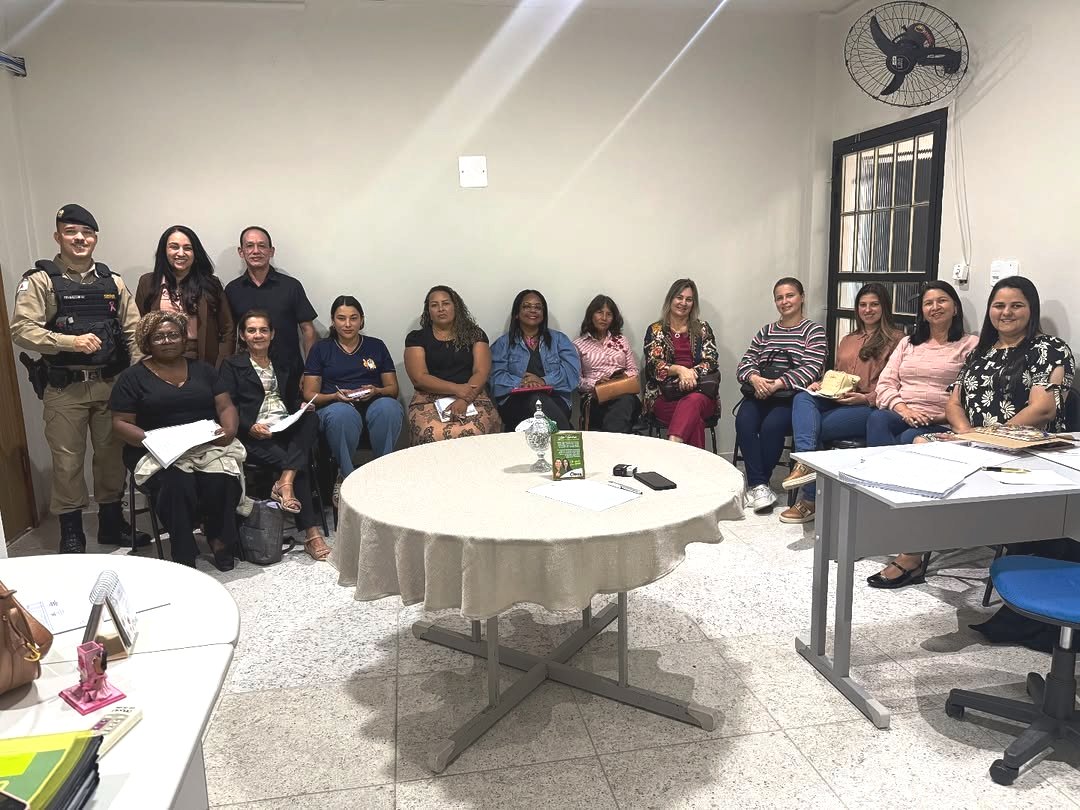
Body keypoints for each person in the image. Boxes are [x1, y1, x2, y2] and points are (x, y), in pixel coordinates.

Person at [868, 277, 1074, 590]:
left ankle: (911, 553)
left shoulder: (1049, 349)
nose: (1006, 312)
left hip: (1025, 450)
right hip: (976, 441)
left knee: (929, 452)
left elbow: (1042, 409)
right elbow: (954, 402)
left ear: (1031, 309)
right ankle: (904, 534)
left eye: (1016, 305)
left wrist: (986, 439)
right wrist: (967, 435)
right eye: (999, 305)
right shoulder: (982, 352)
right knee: (922, 443)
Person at [9, 204, 149, 553]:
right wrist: (69, 342)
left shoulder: (112, 282)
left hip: (110, 385)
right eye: (71, 232)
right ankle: (71, 532)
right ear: (57, 237)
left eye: (86, 233)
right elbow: (21, 329)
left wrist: (136, 379)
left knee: (111, 458)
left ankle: (112, 524)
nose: (80, 238)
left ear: (95, 238)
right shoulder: (40, 281)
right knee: (67, 462)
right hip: (65, 388)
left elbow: (134, 331)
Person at [110, 311, 243, 570]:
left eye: (173, 335)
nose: (167, 340)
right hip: (154, 449)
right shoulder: (132, 378)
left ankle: (219, 539)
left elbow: (225, 405)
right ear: (147, 342)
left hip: (203, 444)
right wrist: (152, 440)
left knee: (223, 478)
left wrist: (229, 430)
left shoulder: (203, 370)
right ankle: (183, 548)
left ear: (184, 338)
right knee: (176, 483)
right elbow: (120, 423)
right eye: (159, 337)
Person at [780, 282, 902, 523]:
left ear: (884, 307)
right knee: (803, 397)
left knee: (813, 428)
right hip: (838, 399)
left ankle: (809, 498)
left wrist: (866, 398)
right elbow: (837, 373)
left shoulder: (897, 340)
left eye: (874, 304)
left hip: (868, 406)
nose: (868, 310)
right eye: (863, 305)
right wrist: (821, 384)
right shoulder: (848, 339)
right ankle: (807, 463)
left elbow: (897, 384)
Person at [221, 310, 331, 561]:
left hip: (285, 426)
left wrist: (300, 407)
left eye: (263, 330)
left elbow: (291, 398)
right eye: (251, 330)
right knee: (298, 461)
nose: (258, 335)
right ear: (243, 335)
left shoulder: (283, 361)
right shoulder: (232, 365)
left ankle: (284, 481)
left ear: (272, 334)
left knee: (311, 418)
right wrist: (249, 426)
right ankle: (312, 535)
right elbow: (227, 406)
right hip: (254, 434)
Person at [735, 277, 827, 513]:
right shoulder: (766, 331)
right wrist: (755, 378)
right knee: (744, 420)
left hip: (790, 397)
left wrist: (778, 383)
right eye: (779, 298)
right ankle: (759, 486)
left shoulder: (813, 331)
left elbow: (811, 368)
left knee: (772, 426)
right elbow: (745, 363)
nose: (784, 301)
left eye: (790, 296)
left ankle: (759, 483)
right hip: (759, 391)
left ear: (802, 297)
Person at [302, 296, 403, 503]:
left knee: (390, 408)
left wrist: (376, 390)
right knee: (342, 413)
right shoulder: (321, 348)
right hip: (335, 406)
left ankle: (382, 473)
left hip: (373, 403)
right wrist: (335, 396)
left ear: (362, 320)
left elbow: (392, 389)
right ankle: (345, 477)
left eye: (353, 318)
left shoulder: (376, 346)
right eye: (341, 318)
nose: (347, 324)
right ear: (333, 320)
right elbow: (309, 394)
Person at [864, 280, 978, 448]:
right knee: (878, 418)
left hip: (941, 420)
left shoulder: (970, 344)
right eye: (928, 303)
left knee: (907, 438)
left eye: (942, 301)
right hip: (903, 413)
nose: (935, 307)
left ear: (955, 308)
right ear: (923, 313)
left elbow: (973, 394)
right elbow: (885, 383)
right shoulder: (907, 343)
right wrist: (905, 410)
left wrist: (939, 417)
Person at [404, 285, 501, 444]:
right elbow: (419, 378)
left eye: (446, 303)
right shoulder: (417, 338)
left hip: (472, 394)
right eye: (434, 305)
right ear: (428, 311)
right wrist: (456, 389)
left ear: (456, 306)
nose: (441, 309)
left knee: (477, 430)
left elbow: (481, 372)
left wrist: (464, 399)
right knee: (432, 433)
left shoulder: (475, 334)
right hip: (429, 398)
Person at [135, 225, 234, 367]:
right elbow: (140, 327)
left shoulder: (211, 284)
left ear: (195, 253)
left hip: (201, 361)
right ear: (164, 251)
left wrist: (221, 365)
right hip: (160, 360)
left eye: (187, 248)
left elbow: (228, 330)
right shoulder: (147, 282)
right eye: (174, 247)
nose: (181, 253)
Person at [224, 226, 318, 374]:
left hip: (290, 371)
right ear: (241, 252)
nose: (256, 251)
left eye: (262, 245)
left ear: (271, 251)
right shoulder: (232, 290)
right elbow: (228, 334)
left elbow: (308, 330)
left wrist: (310, 372)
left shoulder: (291, 286)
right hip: (246, 375)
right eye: (250, 246)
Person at [642, 279, 720, 449]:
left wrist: (690, 375)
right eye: (679, 297)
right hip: (665, 396)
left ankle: (672, 448)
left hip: (700, 393)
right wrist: (679, 370)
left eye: (689, 299)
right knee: (694, 421)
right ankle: (693, 465)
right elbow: (653, 365)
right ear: (670, 299)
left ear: (693, 303)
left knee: (693, 402)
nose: (683, 303)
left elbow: (711, 360)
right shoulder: (655, 330)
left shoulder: (703, 328)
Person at [490, 290, 580, 431]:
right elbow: (495, 377)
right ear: (517, 313)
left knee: (537, 399)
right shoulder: (503, 344)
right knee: (535, 398)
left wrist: (543, 381)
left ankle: (561, 434)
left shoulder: (559, 340)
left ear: (543, 314)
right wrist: (523, 383)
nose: (533, 310)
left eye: (538, 307)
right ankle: (565, 435)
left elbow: (572, 373)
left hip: (556, 400)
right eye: (527, 306)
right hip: (514, 403)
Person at [574, 294, 641, 433]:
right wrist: (596, 383)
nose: (604, 318)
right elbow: (576, 380)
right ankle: (615, 441)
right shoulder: (578, 344)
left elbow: (633, 371)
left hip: (623, 394)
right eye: (599, 312)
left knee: (625, 401)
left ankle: (610, 440)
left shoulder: (621, 340)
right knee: (619, 415)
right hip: (595, 399)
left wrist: (618, 380)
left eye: (609, 314)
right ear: (591, 315)